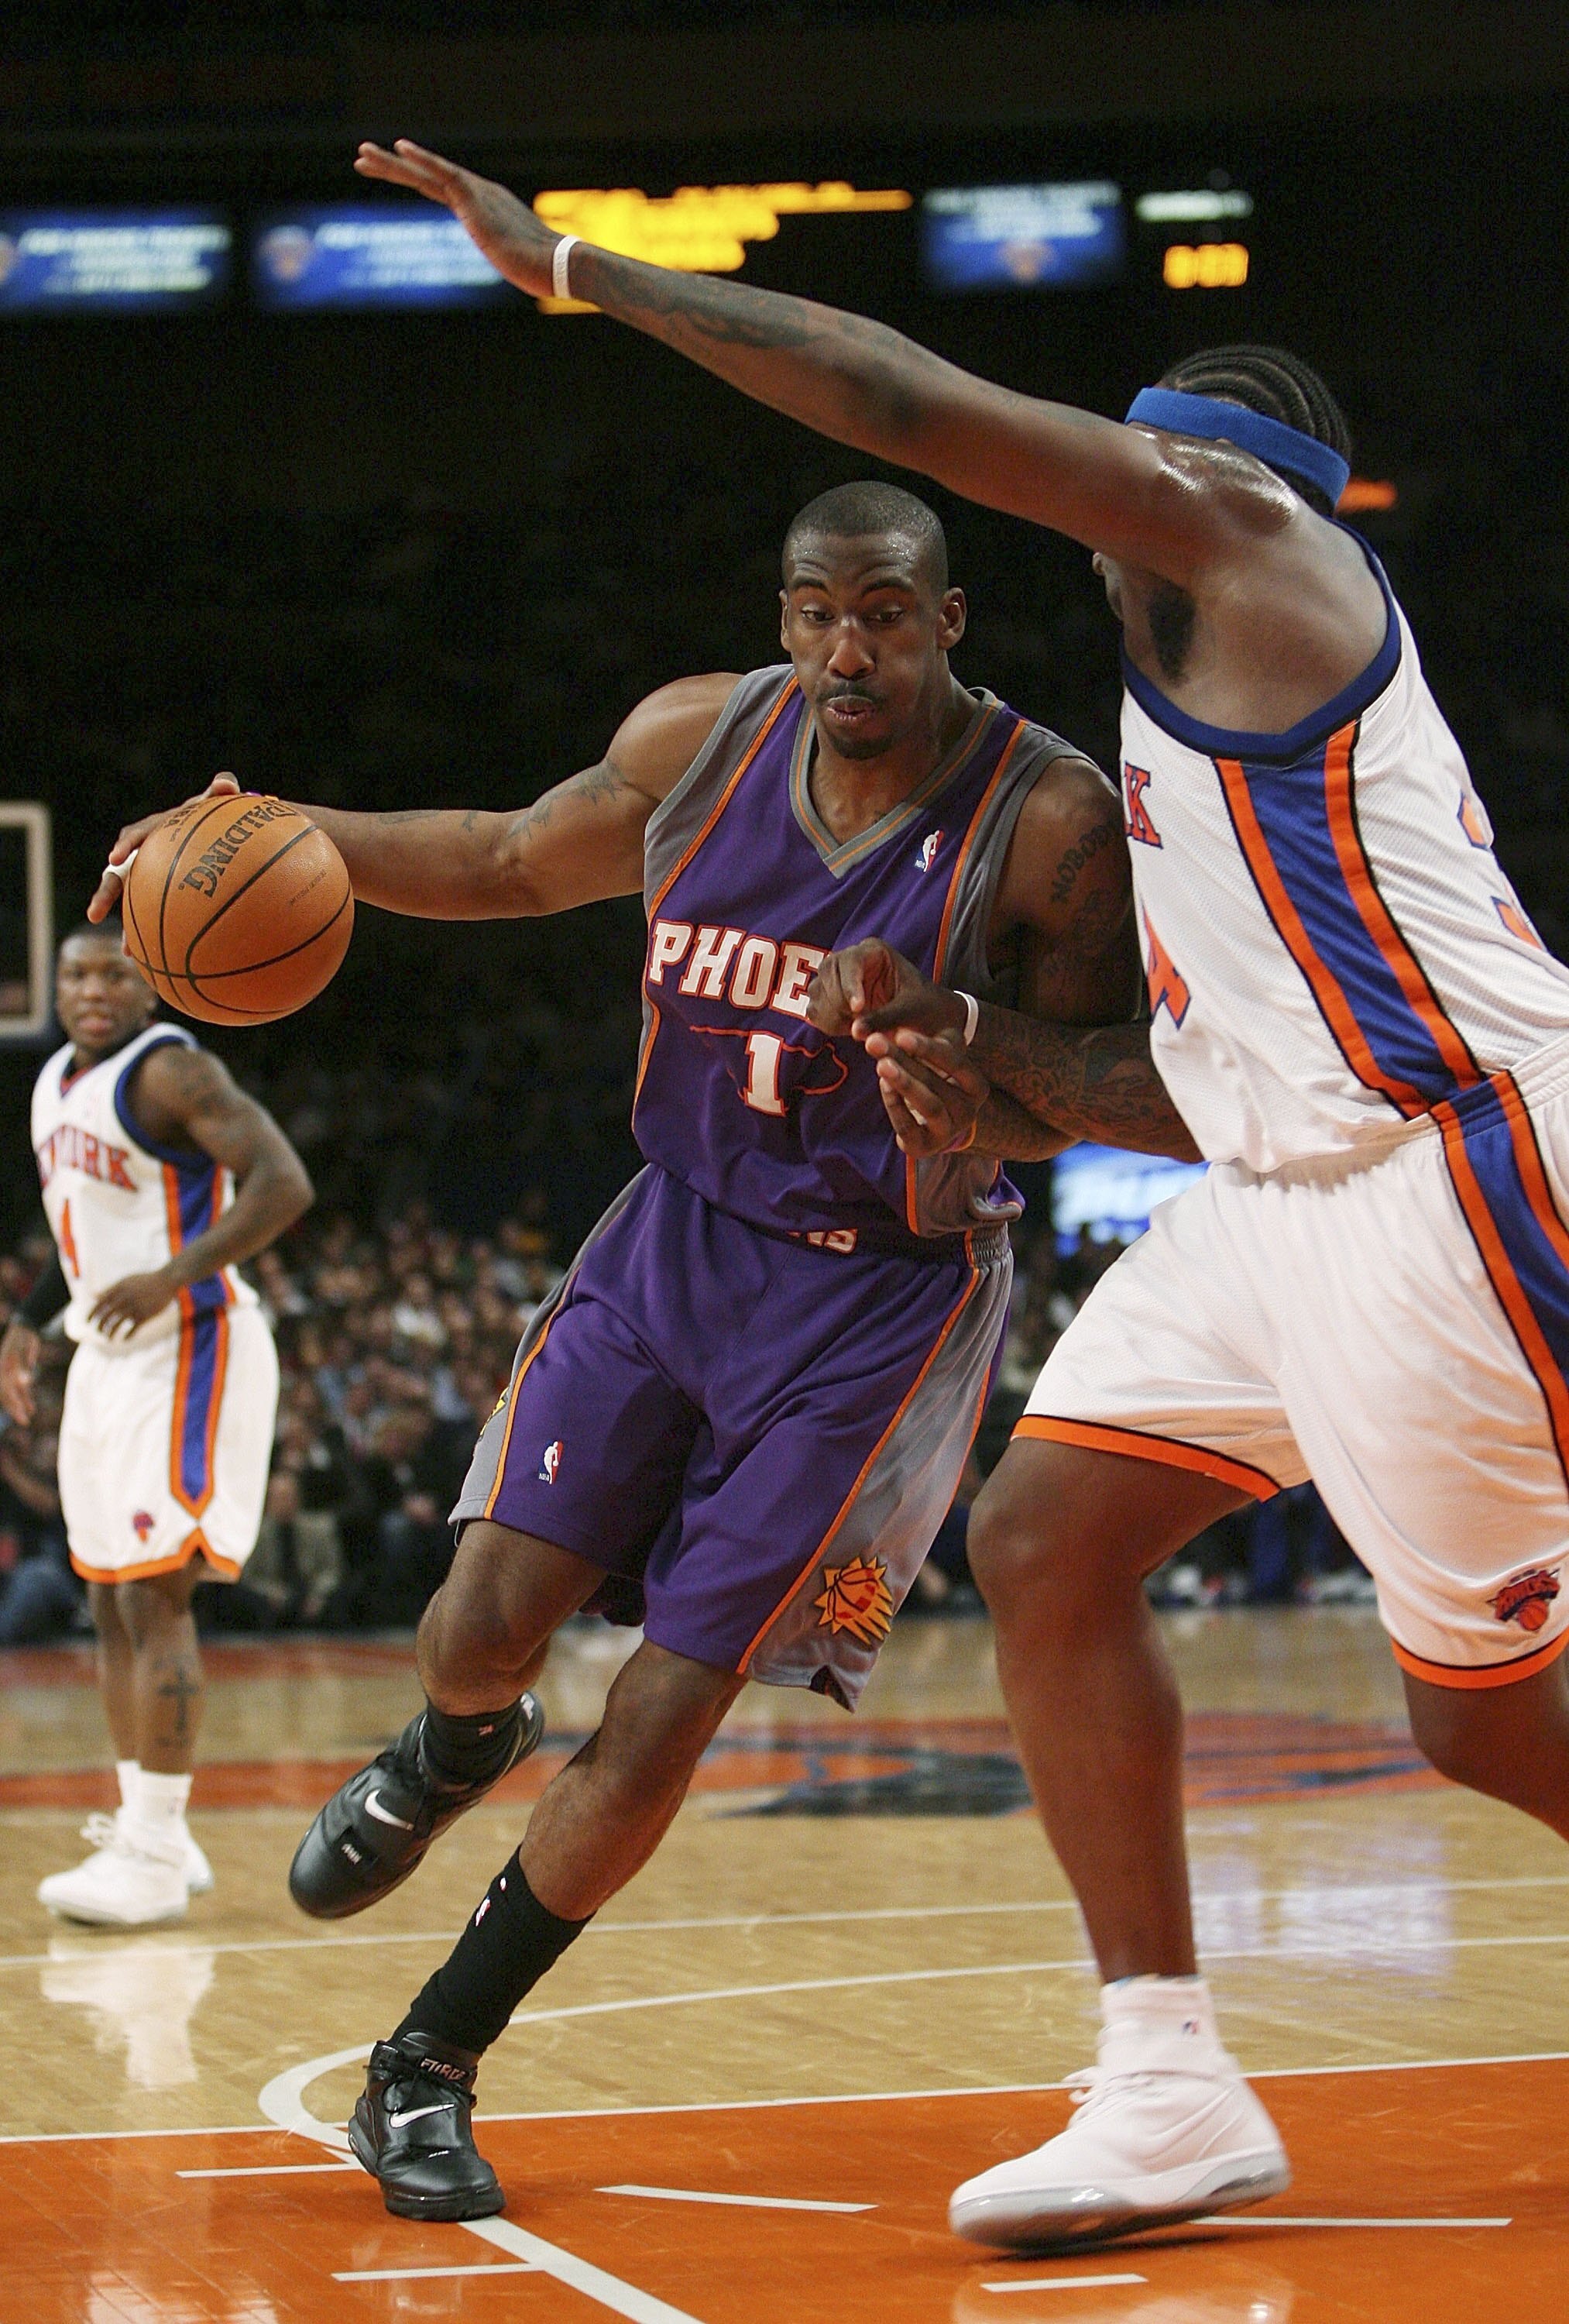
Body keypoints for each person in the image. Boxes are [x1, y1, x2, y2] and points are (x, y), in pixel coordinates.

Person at [346, 142, 1569, 2250]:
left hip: (1450, 1184)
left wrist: (571, 268)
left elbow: (901, 401)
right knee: (1045, 1533)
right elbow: (1185, 1092)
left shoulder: (1256, 552)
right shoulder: (1181, 729)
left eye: (1112, 475)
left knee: (1475, 1724)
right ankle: (1167, 2086)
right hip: (1292, 1182)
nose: (1087, 503)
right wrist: (983, 1066)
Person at [94, 485, 1192, 2220]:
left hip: (876, 1303)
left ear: (949, 620)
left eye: (886, 614)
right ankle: (457, 1744)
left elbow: (1114, 1079)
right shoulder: (701, 742)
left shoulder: (1045, 822)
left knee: (669, 1709)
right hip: (673, 1237)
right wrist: (275, 823)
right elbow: (509, 857)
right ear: (781, 617)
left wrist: (970, 1069)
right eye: (817, 608)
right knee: (472, 1630)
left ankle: (425, 2065)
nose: (849, 645)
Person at [0, 926, 313, 1927]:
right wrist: (24, 1321)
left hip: (192, 1342)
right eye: (75, 975)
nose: (92, 990)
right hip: (106, 1352)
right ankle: (154, 1831)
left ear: (150, 986)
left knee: (156, 1596)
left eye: (113, 974)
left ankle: (149, 1850)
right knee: (107, 1598)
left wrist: (173, 1275)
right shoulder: (53, 1081)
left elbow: (283, 1183)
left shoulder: (174, 1071)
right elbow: (77, 1229)